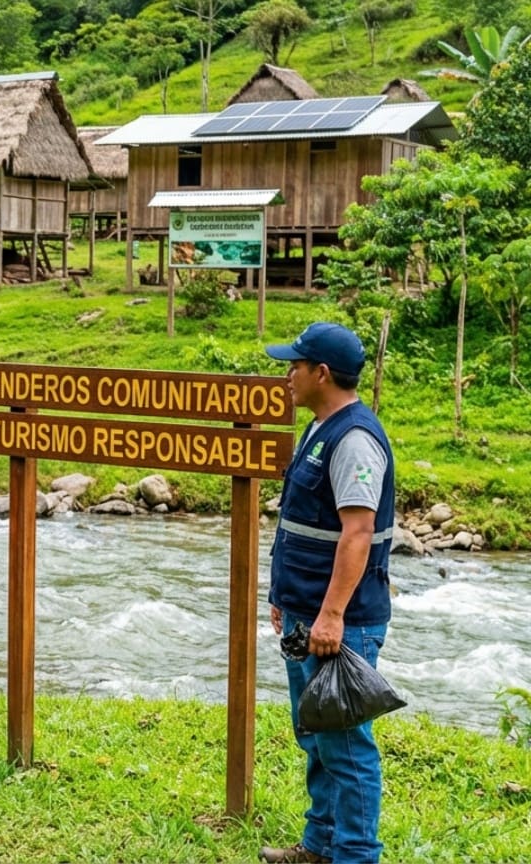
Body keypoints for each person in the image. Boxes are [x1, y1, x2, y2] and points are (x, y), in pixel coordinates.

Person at [260, 322, 395, 864]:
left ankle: (356, 855)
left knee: (346, 744)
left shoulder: (355, 440)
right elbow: (304, 525)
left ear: (321, 373)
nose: (287, 374)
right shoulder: (320, 427)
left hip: (340, 622)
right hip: (304, 612)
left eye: (295, 365)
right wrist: (283, 594)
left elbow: (357, 533)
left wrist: (332, 615)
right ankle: (319, 845)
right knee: (316, 734)